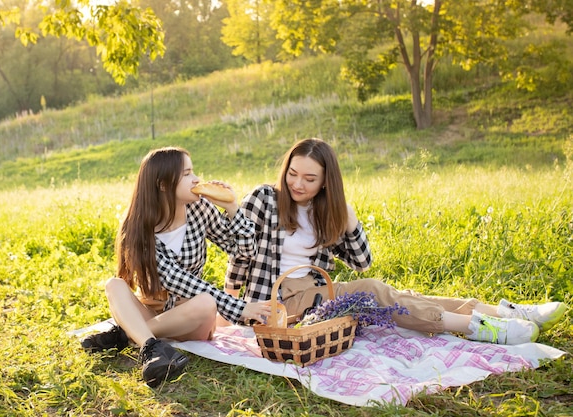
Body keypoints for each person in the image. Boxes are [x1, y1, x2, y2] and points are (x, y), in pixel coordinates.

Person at [224, 138, 567, 345]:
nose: (297, 184)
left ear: (327, 182)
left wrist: (351, 220)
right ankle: (478, 328)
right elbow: (241, 251)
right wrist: (235, 301)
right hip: (278, 301)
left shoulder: (326, 210)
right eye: (292, 173)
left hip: (314, 290)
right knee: (375, 291)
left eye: (310, 178)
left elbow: (361, 261)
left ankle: (502, 312)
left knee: (403, 298)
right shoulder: (264, 198)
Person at [81, 147, 271, 388]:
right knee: (114, 285)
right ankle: (150, 345)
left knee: (206, 302)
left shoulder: (199, 209)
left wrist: (233, 208)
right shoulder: (138, 228)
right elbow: (175, 279)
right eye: (187, 174)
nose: (196, 179)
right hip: (154, 309)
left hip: (190, 317)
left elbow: (244, 252)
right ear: (163, 184)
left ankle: (130, 335)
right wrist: (240, 308)